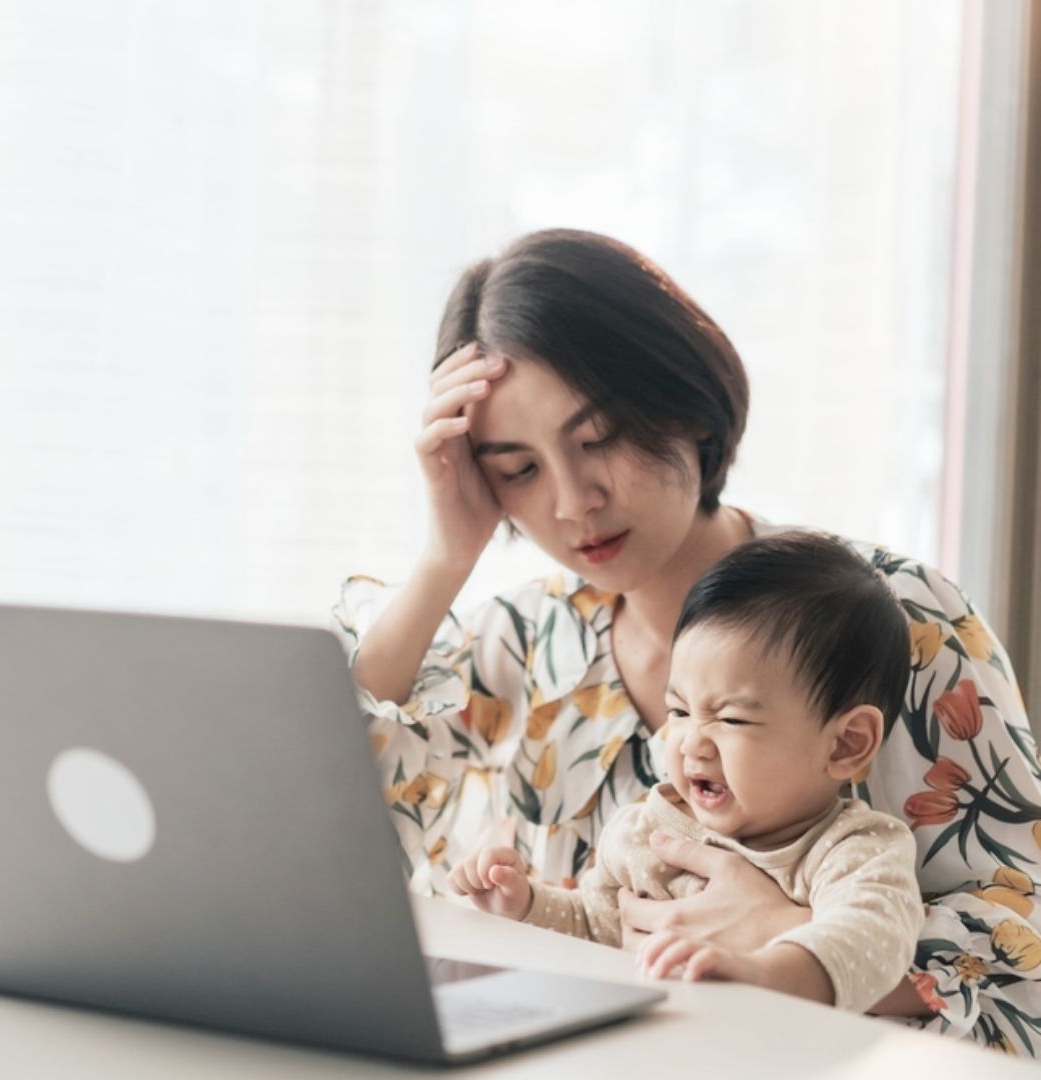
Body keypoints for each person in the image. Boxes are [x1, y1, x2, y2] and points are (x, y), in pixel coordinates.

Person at [334, 228, 1041, 1051]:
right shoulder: (520, 642)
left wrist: (787, 940)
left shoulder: (894, 615)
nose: (573, 501)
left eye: (598, 437)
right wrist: (445, 558)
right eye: (517, 469)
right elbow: (327, 839)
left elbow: (1022, 946)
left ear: (682, 400)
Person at [446, 532, 924, 1013]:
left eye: (731, 719)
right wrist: (527, 904)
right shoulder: (645, 831)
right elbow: (595, 925)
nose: (691, 742)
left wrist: (763, 971)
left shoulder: (853, 849)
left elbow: (872, 940)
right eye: (678, 711)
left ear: (846, 744)